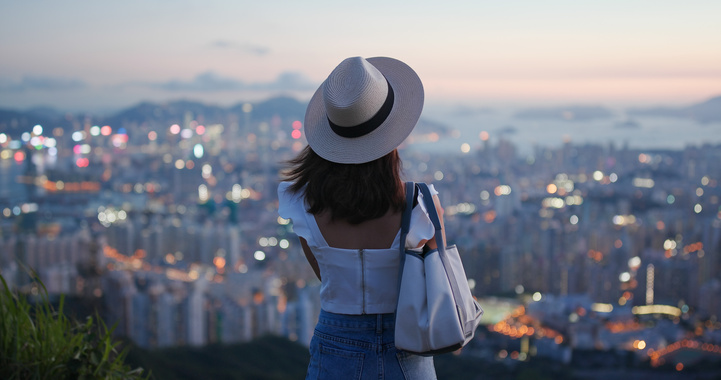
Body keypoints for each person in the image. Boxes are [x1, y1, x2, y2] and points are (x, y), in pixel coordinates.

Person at [278, 56, 445, 380]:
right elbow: (433, 281)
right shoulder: (421, 204)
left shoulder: (300, 202)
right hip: (407, 350)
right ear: (392, 136)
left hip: (334, 349)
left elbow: (327, 278)